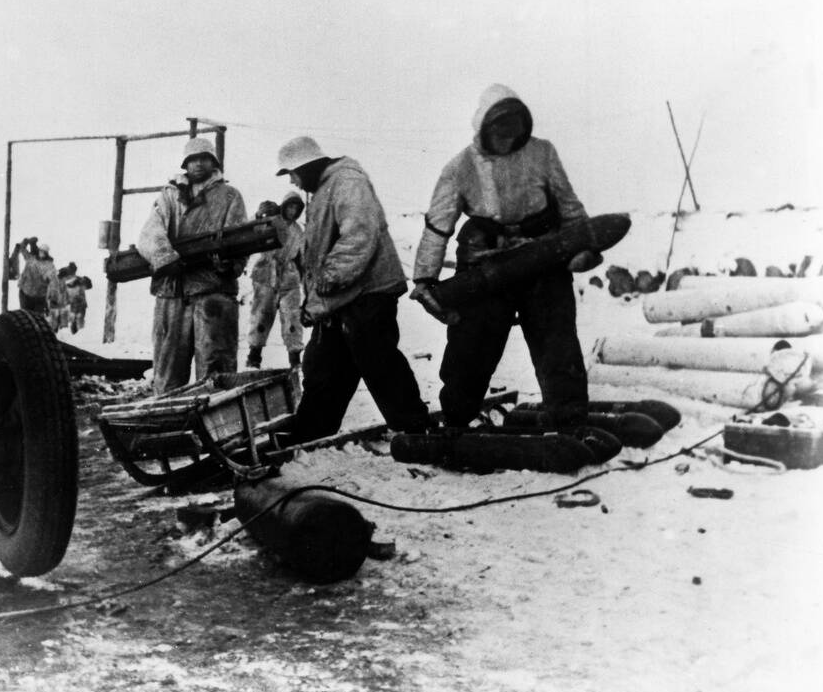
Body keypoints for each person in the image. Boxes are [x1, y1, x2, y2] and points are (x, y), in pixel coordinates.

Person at [410, 84, 600, 429]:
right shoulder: (460, 167)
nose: (508, 137)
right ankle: (456, 422)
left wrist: (584, 246)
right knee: (471, 350)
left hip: (542, 259)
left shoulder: (542, 153)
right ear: (484, 126)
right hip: (485, 266)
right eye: (500, 128)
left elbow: (569, 206)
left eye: (514, 128)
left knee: (556, 345)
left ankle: (569, 422)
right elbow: (438, 225)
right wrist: (425, 279)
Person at [276, 136, 430, 443]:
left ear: (306, 166)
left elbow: (359, 235)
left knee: (378, 361)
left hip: (367, 294)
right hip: (342, 297)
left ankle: (416, 431)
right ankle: (310, 435)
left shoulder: (346, 180)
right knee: (323, 368)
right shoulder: (323, 190)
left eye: (292, 173)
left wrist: (328, 278)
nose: (293, 181)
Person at [136, 136, 247, 395]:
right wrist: (166, 258)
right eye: (193, 159)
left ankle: (218, 429)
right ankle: (166, 427)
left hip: (213, 293)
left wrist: (229, 264)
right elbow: (150, 233)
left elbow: (241, 239)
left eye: (204, 158)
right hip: (172, 292)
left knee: (216, 372)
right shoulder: (169, 196)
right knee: (167, 373)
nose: (198, 164)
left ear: (214, 162)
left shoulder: (230, 196)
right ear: (185, 164)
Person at [246, 190, 305, 369]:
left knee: (292, 317)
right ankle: (254, 355)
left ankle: (295, 357)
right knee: (261, 315)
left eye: (296, 208)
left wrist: (302, 278)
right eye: (290, 206)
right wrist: (259, 215)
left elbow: (300, 256)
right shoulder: (271, 221)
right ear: (284, 206)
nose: (292, 211)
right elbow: (251, 230)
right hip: (265, 274)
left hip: (289, 278)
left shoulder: (297, 229)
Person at [17, 239, 66, 328]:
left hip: (39, 297)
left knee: (37, 320)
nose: (42, 253)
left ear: (47, 253)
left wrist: (54, 296)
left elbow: (54, 281)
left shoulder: (49, 265)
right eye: (41, 251)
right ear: (38, 250)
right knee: (25, 318)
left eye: (44, 252)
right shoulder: (31, 259)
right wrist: (26, 241)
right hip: (25, 293)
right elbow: (22, 249)